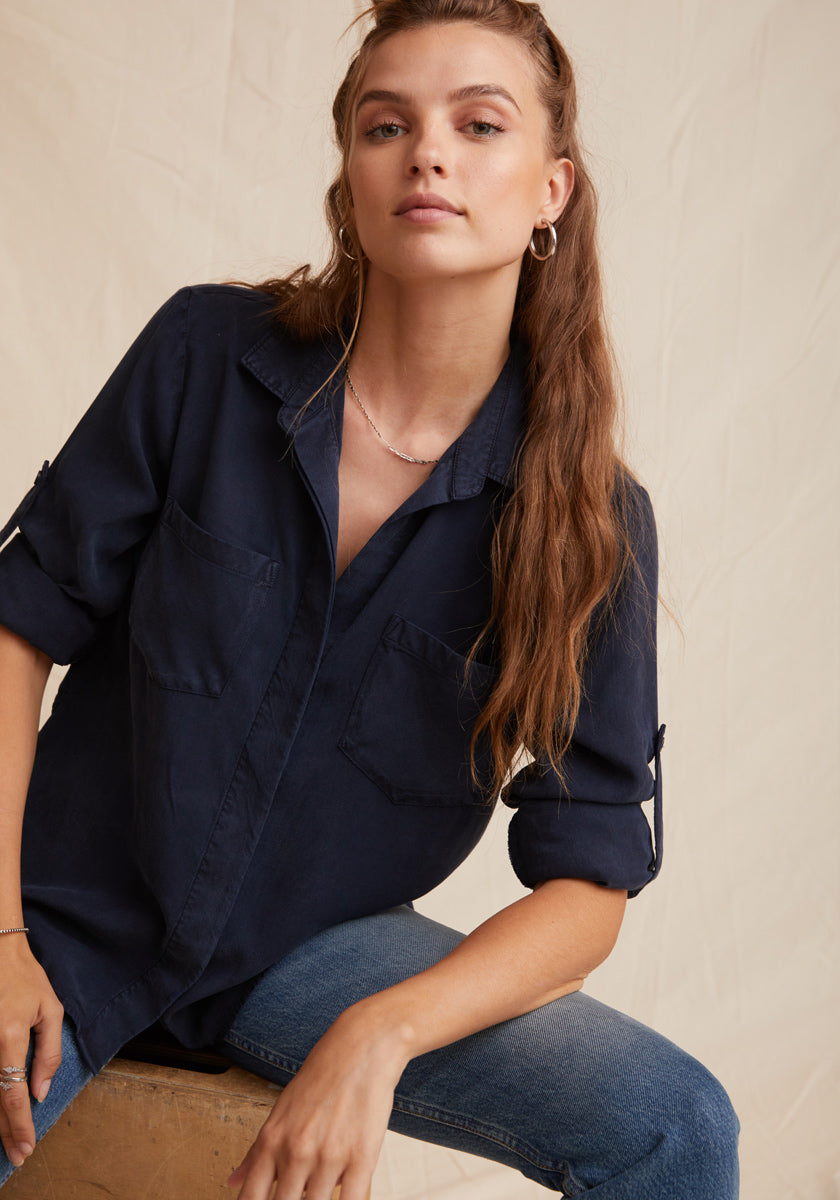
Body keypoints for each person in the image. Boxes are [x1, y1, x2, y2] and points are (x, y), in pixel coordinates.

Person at [0, 1, 740, 1196]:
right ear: (350, 175)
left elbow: (588, 884)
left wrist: (382, 1029)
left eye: (478, 124)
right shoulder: (204, 355)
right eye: (385, 123)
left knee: (676, 1128)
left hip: (312, 953)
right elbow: (14, 631)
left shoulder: (590, 522)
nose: (428, 153)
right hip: (66, 913)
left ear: (552, 188)